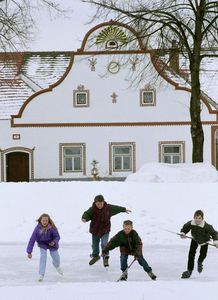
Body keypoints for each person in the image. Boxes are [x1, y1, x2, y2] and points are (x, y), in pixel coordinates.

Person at [81, 194, 131, 267]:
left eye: (101, 203)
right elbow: (87, 214)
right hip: (95, 231)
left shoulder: (108, 208)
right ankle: (95, 256)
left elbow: (116, 208)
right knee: (95, 245)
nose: (100, 205)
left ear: (103, 202)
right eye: (98, 204)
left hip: (105, 230)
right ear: (95, 203)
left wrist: (124, 209)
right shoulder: (92, 209)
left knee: (104, 244)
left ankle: (105, 256)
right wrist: (84, 218)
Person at [180, 209, 218, 279]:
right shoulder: (191, 223)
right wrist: (183, 233)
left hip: (204, 240)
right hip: (195, 239)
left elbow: (214, 233)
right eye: (196, 218)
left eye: (199, 218)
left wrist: (216, 241)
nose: (197, 220)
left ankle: (200, 262)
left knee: (203, 254)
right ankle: (189, 270)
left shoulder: (206, 226)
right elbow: (185, 227)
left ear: (202, 219)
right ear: (194, 218)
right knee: (191, 254)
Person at [26, 213, 63, 282]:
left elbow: (57, 236)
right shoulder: (37, 229)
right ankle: (41, 274)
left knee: (57, 258)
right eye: (43, 220)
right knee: (43, 257)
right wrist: (29, 251)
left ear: (48, 221)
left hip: (52, 244)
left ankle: (56, 265)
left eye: (46, 220)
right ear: (40, 220)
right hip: (42, 244)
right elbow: (32, 239)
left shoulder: (51, 227)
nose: (45, 222)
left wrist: (54, 242)